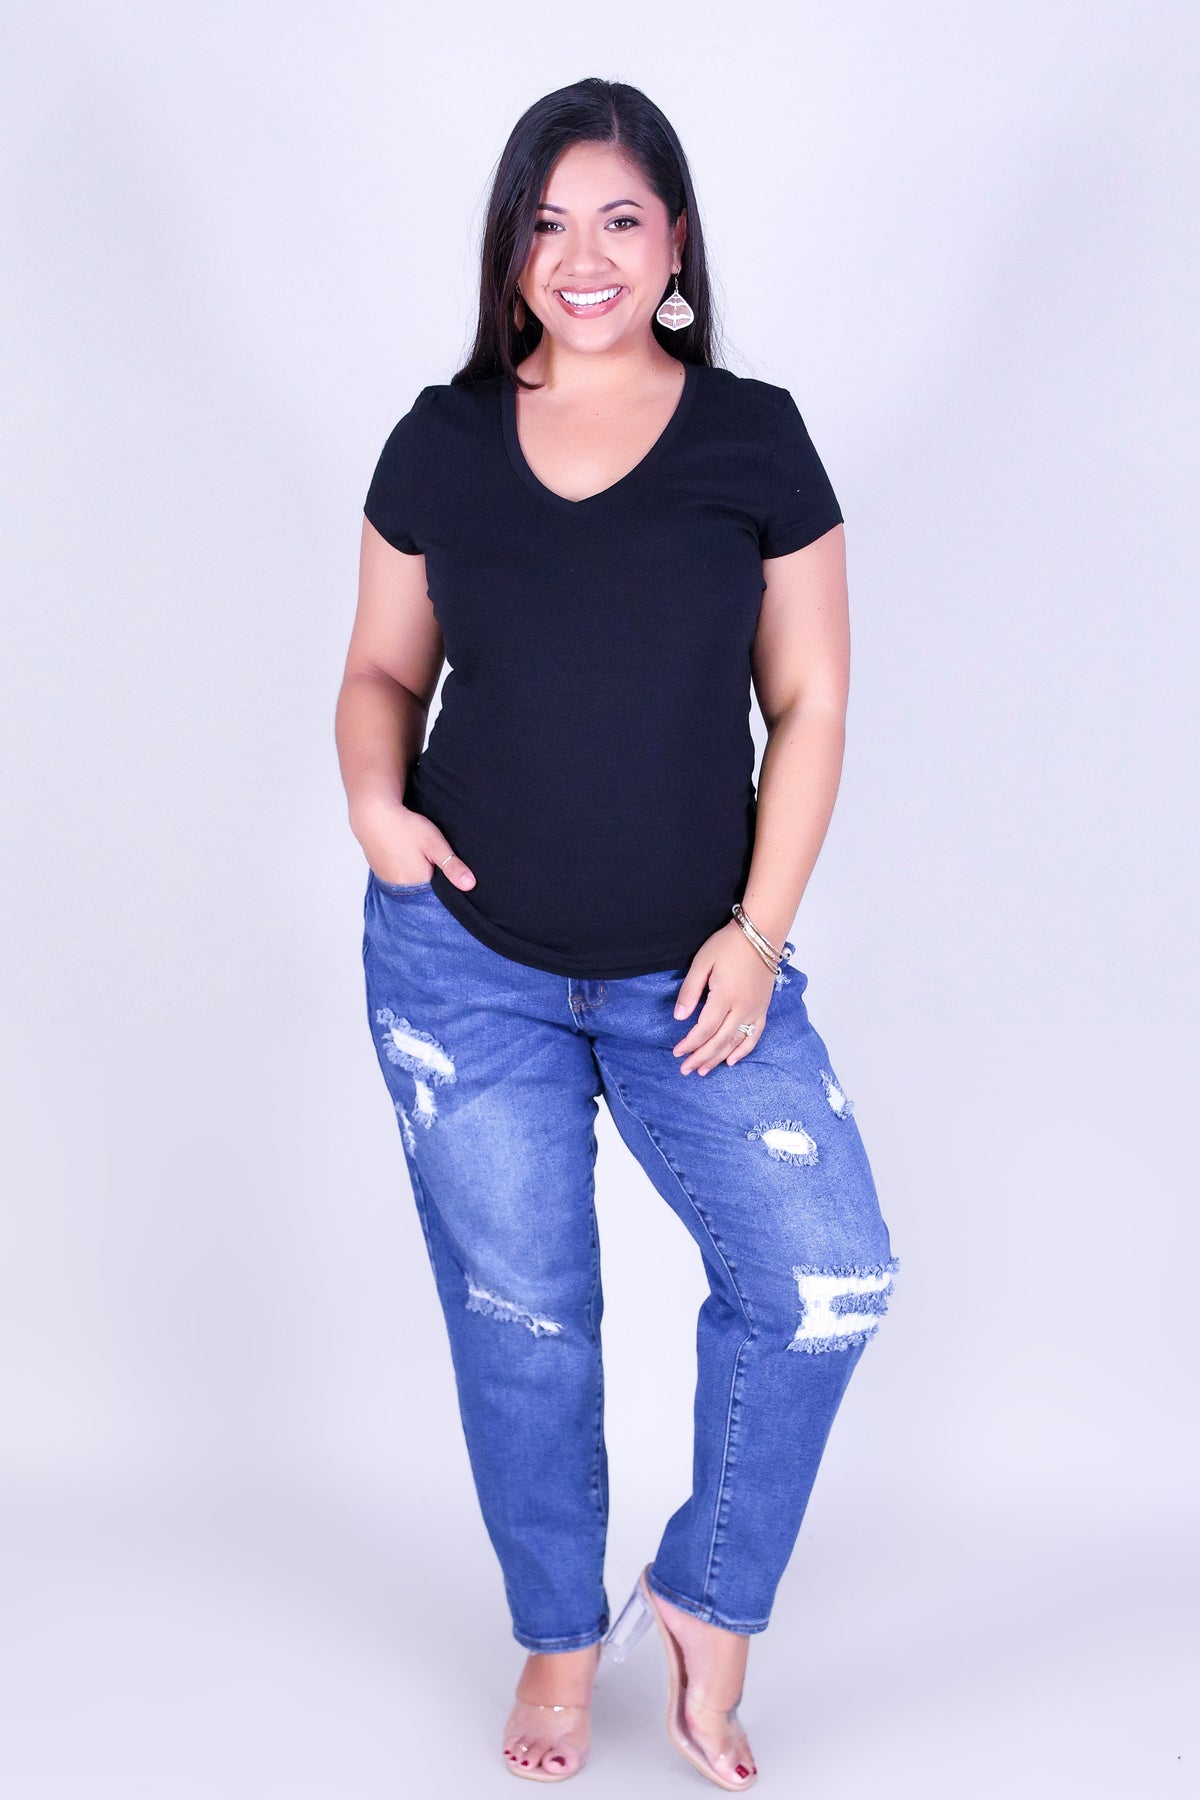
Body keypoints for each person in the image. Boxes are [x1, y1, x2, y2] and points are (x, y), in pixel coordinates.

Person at [335, 76, 901, 1790]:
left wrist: (758, 932)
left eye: (620, 220)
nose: (582, 257)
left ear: (674, 244)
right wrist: (373, 804)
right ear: (511, 251)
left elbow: (811, 703)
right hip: (463, 967)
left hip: (693, 967)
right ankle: (556, 1646)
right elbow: (381, 671)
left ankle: (707, 1600)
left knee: (821, 1276)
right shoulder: (440, 440)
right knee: (527, 1322)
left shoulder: (754, 438)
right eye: (547, 223)